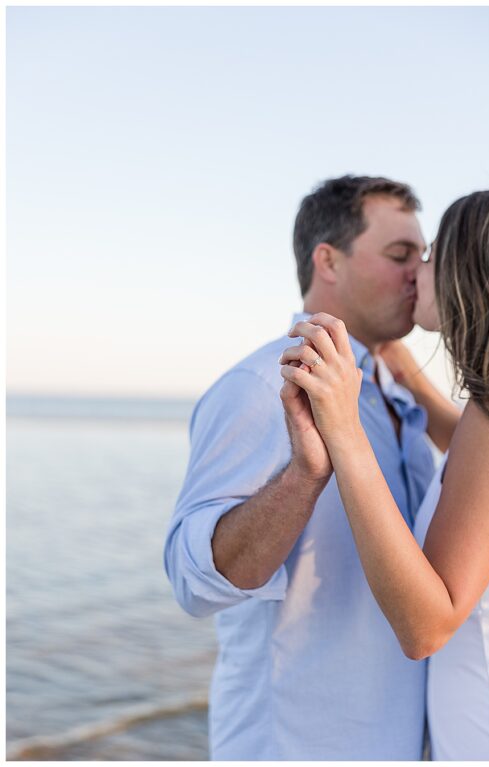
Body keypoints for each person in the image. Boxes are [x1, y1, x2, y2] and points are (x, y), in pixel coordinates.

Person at [164, 175, 437, 760]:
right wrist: (303, 478)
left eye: (423, 255)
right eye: (399, 255)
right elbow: (191, 584)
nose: (418, 272)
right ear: (328, 261)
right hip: (296, 742)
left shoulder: (395, 394)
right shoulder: (263, 385)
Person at [278, 190, 489, 760]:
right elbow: (478, 465)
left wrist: (344, 428)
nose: (415, 273)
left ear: (464, 270)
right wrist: (404, 373)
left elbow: (425, 628)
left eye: (428, 256)